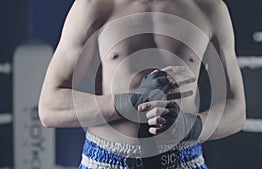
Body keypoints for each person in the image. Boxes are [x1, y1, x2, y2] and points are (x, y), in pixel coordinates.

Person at [38, 0, 246, 168]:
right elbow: (49, 108)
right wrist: (127, 103)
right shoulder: (93, 6)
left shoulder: (210, 8)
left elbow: (237, 111)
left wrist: (191, 127)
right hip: (105, 161)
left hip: (185, 160)